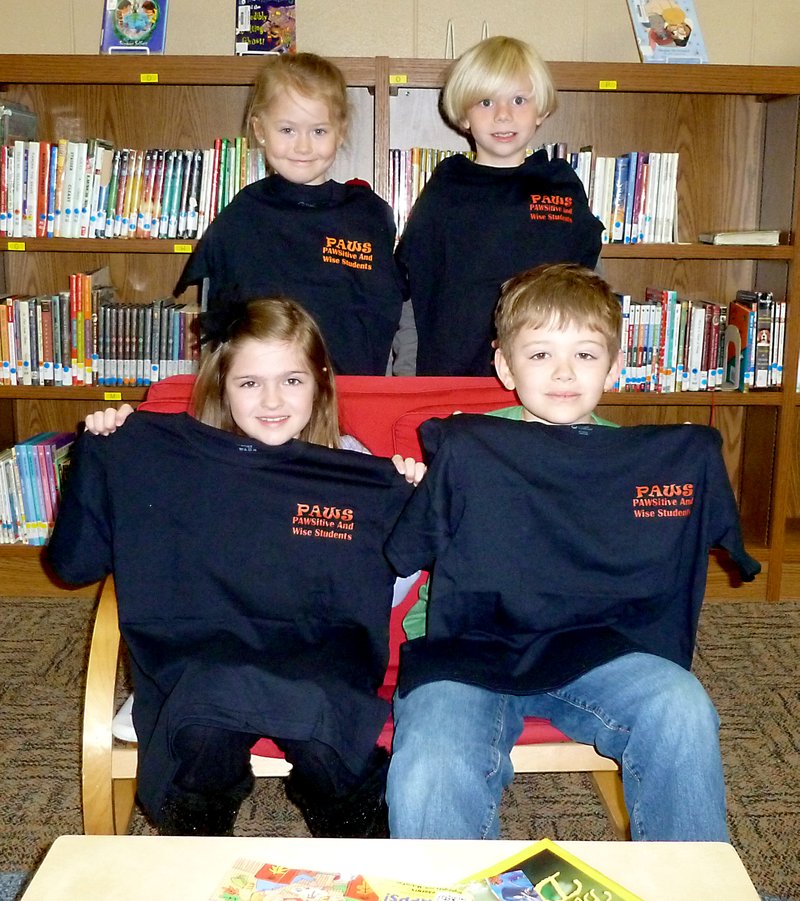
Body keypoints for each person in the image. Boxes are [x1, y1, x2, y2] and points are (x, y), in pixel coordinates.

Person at [384, 263, 761, 841]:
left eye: (585, 355)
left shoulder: (649, 466)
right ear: (505, 365)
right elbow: (401, 555)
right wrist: (419, 492)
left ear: (614, 366)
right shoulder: (468, 448)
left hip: (597, 644)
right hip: (468, 647)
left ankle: (691, 884)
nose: (563, 373)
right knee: (432, 765)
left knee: (681, 708)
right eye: (539, 355)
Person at [48, 298, 419, 839]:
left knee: (324, 736)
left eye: (291, 380)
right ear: (222, 385)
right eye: (249, 384)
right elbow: (74, 564)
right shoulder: (172, 466)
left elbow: (380, 589)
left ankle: (365, 847)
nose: (272, 401)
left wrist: (401, 510)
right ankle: (196, 850)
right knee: (202, 725)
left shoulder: (355, 468)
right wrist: (103, 455)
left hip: (319, 659)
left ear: (319, 381)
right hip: (202, 658)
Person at [174, 52, 405, 376]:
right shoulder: (242, 217)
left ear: (340, 131)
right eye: (287, 130)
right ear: (260, 129)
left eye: (319, 131)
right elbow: (219, 325)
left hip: (349, 394)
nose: (303, 146)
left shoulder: (368, 215)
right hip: (266, 399)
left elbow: (389, 315)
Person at [393, 35, 604, 377]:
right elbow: (414, 291)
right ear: (464, 115)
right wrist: (409, 376)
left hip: (545, 380)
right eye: (486, 102)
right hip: (455, 377)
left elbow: (590, 287)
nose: (503, 116)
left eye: (519, 100)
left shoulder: (560, 187)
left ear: (542, 110)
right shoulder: (447, 192)